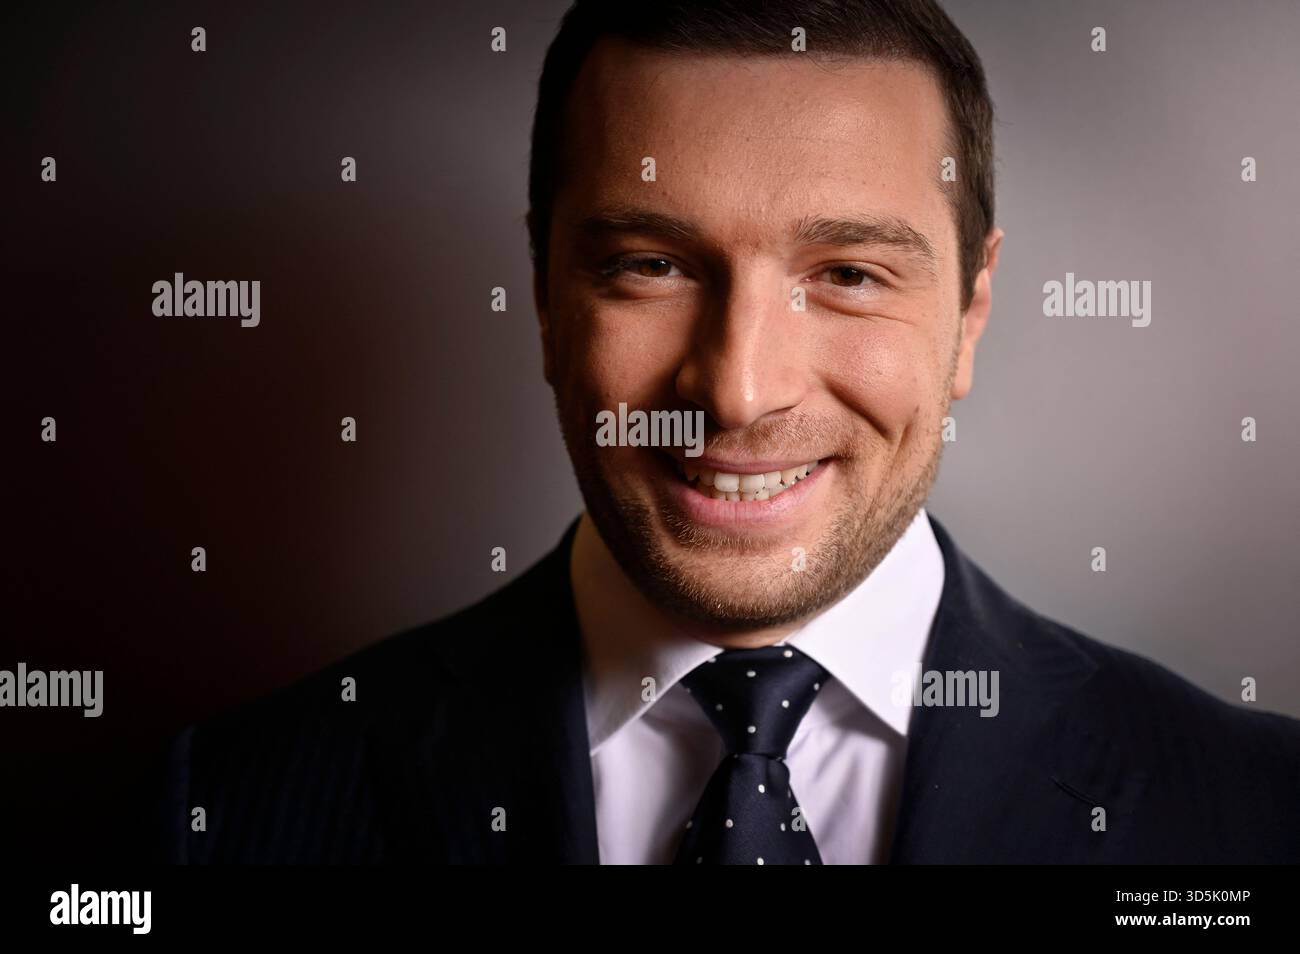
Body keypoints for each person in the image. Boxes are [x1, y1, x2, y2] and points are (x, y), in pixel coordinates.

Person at [153, 0, 1300, 864]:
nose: (740, 393)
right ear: (545, 298)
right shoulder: (226, 811)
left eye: (848, 274)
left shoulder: (1258, 812)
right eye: (650, 266)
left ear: (969, 314)